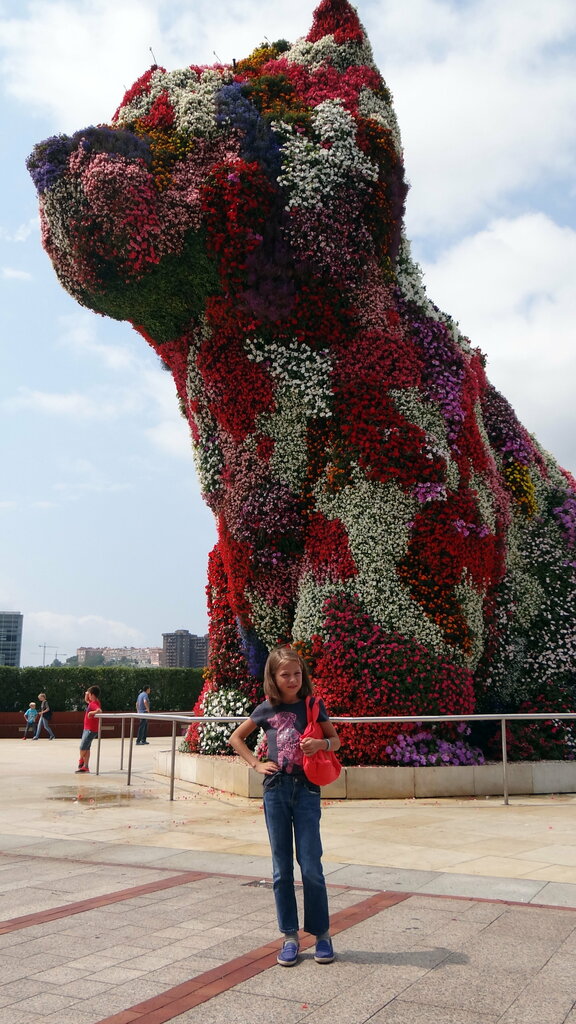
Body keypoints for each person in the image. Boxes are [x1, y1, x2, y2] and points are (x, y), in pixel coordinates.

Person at [229, 645, 340, 968]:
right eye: (285, 674)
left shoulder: (313, 706)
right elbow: (237, 738)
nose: (292, 679)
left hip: (306, 790)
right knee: (281, 870)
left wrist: (321, 743)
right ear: (273, 678)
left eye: (296, 673)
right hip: (276, 791)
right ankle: (289, 936)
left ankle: (322, 935)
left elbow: (336, 740)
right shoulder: (265, 709)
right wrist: (255, 763)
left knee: (311, 866)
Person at [75, 686, 101, 773]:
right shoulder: (93, 701)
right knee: (87, 748)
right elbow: (87, 700)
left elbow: (99, 710)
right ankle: (85, 766)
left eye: (89, 694)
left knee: (82, 747)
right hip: (88, 728)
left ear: (92, 694)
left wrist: (91, 713)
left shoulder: (94, 703)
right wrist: (87, 694)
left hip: (90, 729)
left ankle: (81, 760)